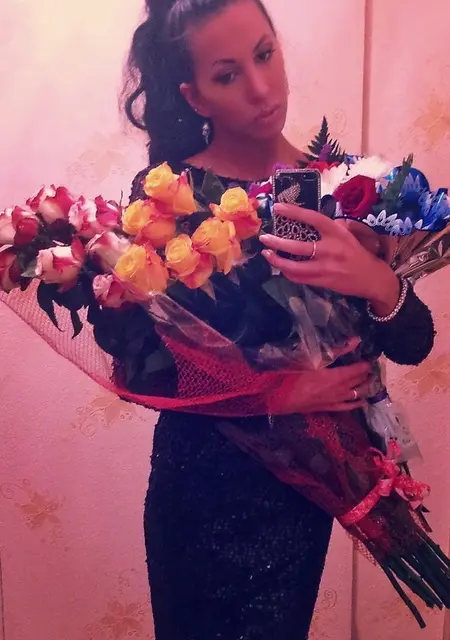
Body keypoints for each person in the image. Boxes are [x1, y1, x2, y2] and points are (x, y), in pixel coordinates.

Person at [119, 0, 435, 638]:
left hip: (306, 494)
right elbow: (144, 367)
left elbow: (414, 343)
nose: (262, 90)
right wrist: (279, 393)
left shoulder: (350, 189)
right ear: (195, 96)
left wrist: (376, 280)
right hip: (204, 483)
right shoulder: (167, 198)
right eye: (228, 74)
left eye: (265, 55)